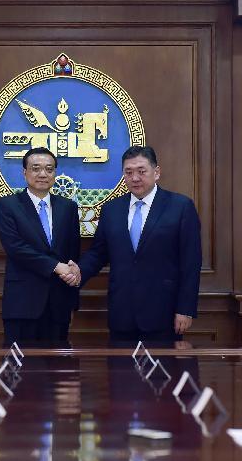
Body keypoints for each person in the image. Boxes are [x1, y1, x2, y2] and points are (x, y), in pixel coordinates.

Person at [73, 145, 201, 343]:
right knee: (120, 372)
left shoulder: (180, 207)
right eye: (128, 172)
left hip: (164, 313)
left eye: (141, 171)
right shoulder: (112, 209)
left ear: (156, 172)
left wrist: (185, 309)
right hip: (122, 313)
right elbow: (98, 253)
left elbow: (191, 262)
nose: (135, 178)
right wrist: (77, 272)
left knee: (163, 373)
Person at [0, 147, 81, 345]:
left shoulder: (68, 208)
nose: (43, 174)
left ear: (55, 174)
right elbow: (15, 248)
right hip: (22, 305)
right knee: (20, 371)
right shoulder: (8, 205)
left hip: (58, 305)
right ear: (24, 172)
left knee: (58, 369)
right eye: (36, 168)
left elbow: (72, 253)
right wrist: (55, 266)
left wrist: (72, 302)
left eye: (49, 169)